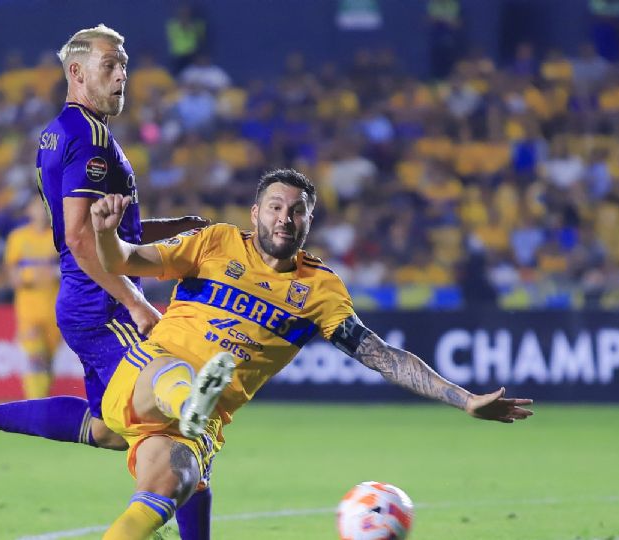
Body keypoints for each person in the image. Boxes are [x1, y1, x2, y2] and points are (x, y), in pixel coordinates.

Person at [87, 169, 533, 539]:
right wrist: (107, 235)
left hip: (200, 428)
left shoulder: (320, 289)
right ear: (256, 213)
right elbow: (124, 260)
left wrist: (465, 399)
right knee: (175, 371)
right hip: (147, 377)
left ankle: (194, 414)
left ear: (309, 220)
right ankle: (190, 400)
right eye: (276, 207)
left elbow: (380, 354)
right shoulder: (216, 242)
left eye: (297, 210)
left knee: (173, 484)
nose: (285, 218)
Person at [0, 24, 213, 539]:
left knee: (108, 428)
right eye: (111, 65)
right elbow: (85, 240)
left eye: (125, 65)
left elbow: (103, 231)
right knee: (186, 429)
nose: (123, 75)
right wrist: (133, 301)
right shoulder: (92, 139)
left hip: (82, 297)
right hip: (102, 303)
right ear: (77, 72)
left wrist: (173, 229)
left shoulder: (59, 130)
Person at [4, 196, 62, 399]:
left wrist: (54, 273)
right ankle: (34, 403)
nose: (43, 211)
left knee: (47, 360)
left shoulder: (58, 237)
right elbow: (12, 272)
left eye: (47, 207)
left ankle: (42, 401)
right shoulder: (18, 238)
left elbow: (69, 269)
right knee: (35, 356)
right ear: (29, 210)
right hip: (29, 308)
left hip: (53, 308)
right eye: (39, 207)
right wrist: (28, 276)